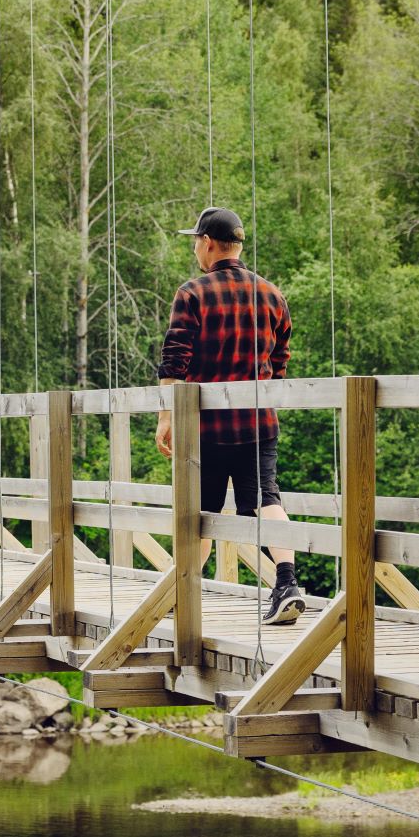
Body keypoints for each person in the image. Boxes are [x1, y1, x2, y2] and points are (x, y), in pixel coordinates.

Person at [154, 206, 303, 624]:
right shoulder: (273, 294)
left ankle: (182, 590)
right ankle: (287, 582)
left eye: (195, 241)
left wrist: (166, 417)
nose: (195, 249)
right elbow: (280, 360)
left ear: (206, 243)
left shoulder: (193, 293)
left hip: (205, 428)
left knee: (199, 511)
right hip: (257, 422)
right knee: (265, 499)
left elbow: (175, 360)